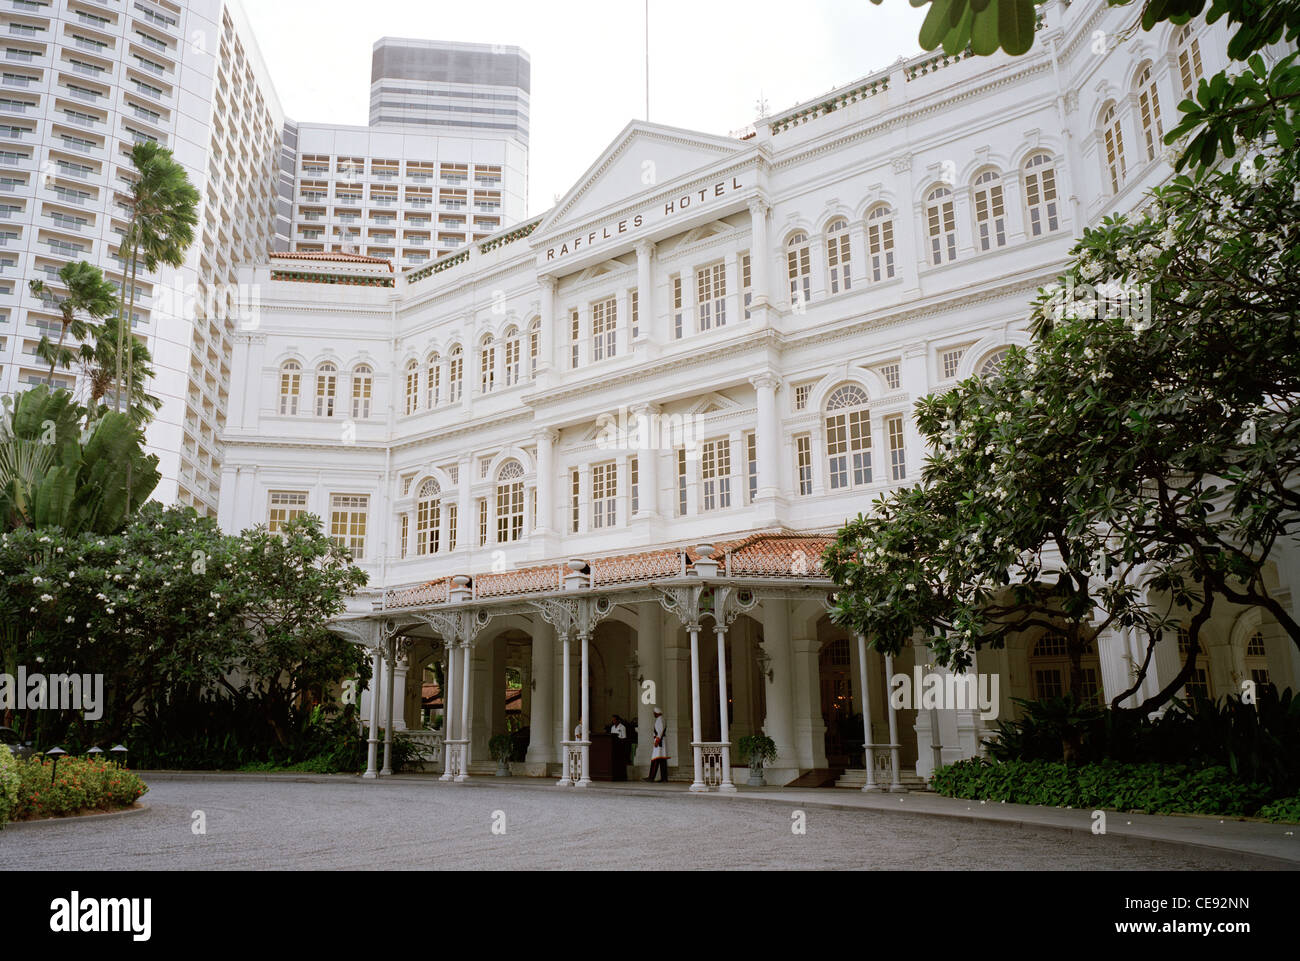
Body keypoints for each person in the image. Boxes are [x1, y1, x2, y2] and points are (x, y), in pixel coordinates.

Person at [643, 707, 669, 782]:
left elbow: (660, 731)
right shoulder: (662, 719)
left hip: (659, 741)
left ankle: (651, 777)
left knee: (655, 759)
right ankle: (664, 778)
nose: (653, 714)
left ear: (656, 713)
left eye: (654, 713)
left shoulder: (659, 720)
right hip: (661, 741)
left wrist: (657, 740)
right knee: (662, 760)